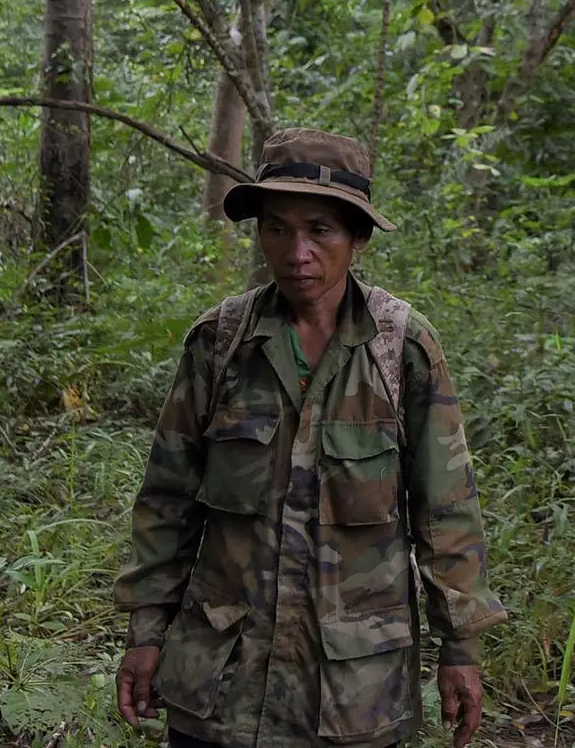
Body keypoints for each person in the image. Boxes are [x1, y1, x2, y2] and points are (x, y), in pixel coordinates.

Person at [114, 128, 506, 747]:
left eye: (319, 230)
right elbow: (167, 499)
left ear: (358, 237)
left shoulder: (399, 348)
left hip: (353, 693)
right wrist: (145, 633)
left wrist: (460, 647)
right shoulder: (219, 345)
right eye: (277, 228)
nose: (297, 252)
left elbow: (446, 509)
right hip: (222, 682)